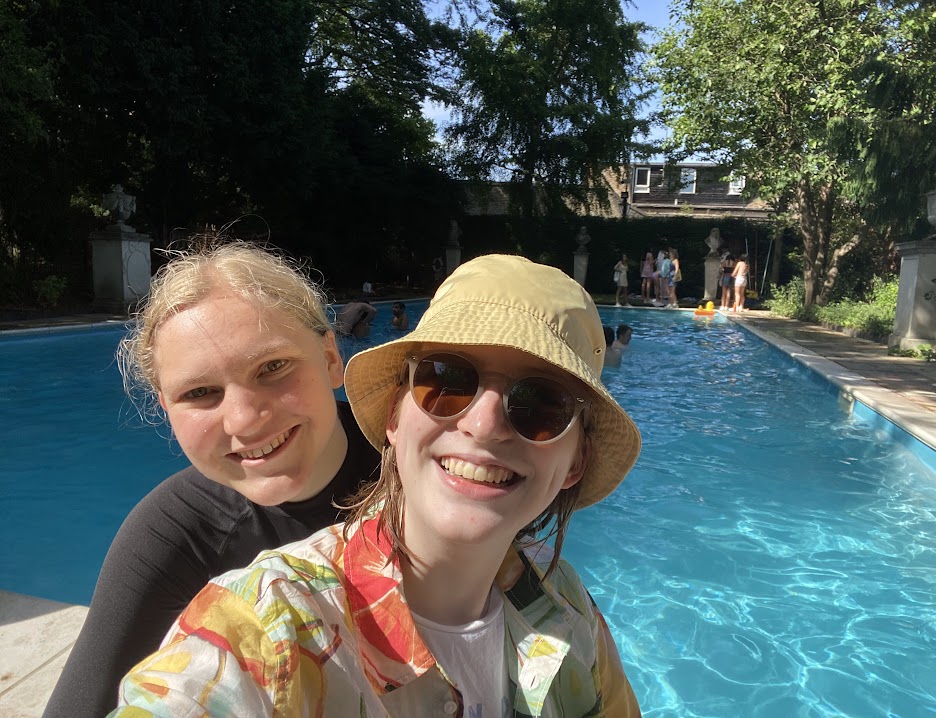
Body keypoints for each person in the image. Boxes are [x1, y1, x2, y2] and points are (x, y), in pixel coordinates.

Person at [113, 254, 644, 717]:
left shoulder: (567, 610)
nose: (483, 425)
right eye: (446, 379)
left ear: (576, 462)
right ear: (395, 414)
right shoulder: (267, 630)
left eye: (541, 405)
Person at [44, 241, 381, 718]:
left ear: (330, 358)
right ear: (165, 406)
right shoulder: (173, 534)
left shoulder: (420, 462)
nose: (244, 421)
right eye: (200, 392)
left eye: (273, 367)